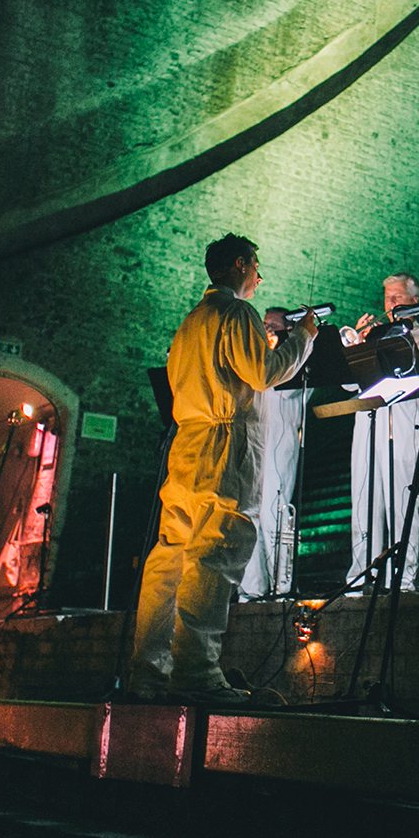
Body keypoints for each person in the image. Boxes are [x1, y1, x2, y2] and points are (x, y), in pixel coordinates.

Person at [129, 234, 315, 705]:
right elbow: (263, 372)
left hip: (186, 443)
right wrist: (303, 339)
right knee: (216, 554)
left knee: (170, 558)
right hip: (224, 443)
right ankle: (196, 672)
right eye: (256, 266)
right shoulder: (236, 313)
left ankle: (150, 672)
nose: (260, 276)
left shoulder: (191, 322)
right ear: (239, 265)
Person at [347, 272, 419, 591]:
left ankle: (403, 574)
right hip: (369, 425)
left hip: (405, 425)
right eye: (387, 298)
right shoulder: (374, 336)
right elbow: (348, 383)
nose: (391, 303)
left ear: (413, 301)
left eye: (397, 297)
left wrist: (403, 338)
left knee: (401, 503)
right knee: (364, 502)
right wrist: (359, 344)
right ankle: (362, 573)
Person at [241, 307, 312, 599]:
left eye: (273, 325)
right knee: (249, 516)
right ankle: (251, 588)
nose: (266, 329)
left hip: (280, 445)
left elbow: (287, 389)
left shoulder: (294, 359)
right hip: (253, 444)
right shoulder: (256, 358)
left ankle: (281, 586)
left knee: (276, 515)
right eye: (264, 324)